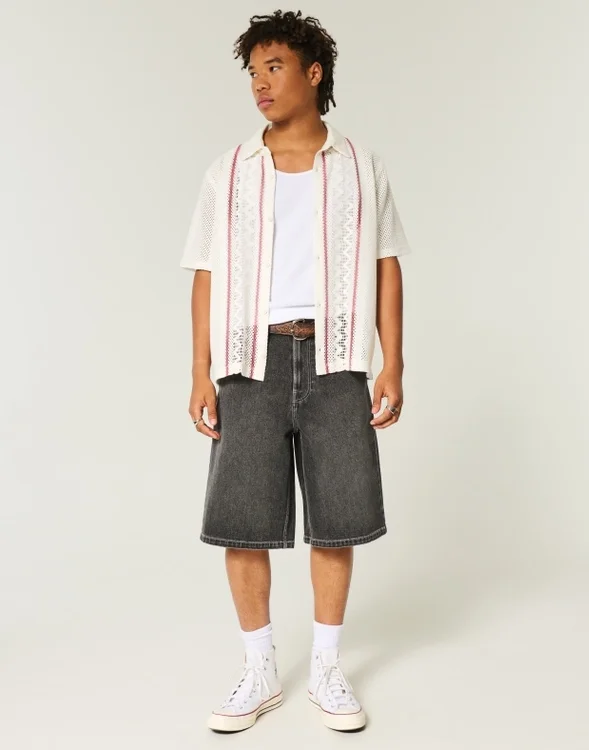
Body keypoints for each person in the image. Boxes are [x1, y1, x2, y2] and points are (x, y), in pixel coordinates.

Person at [180, 9, 410, 734]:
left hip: (338, 359)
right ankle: (259, 670)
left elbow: (387, 265)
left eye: (274, 68)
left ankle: (327, 668)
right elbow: (205, 273)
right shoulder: (229, 171)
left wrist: (393, 362)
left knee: (337, 520)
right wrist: (199, 370)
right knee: (243, 521)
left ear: (314, 73)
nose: (260, 84)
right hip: (249, 362)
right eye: (253, 72)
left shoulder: (362, 167)